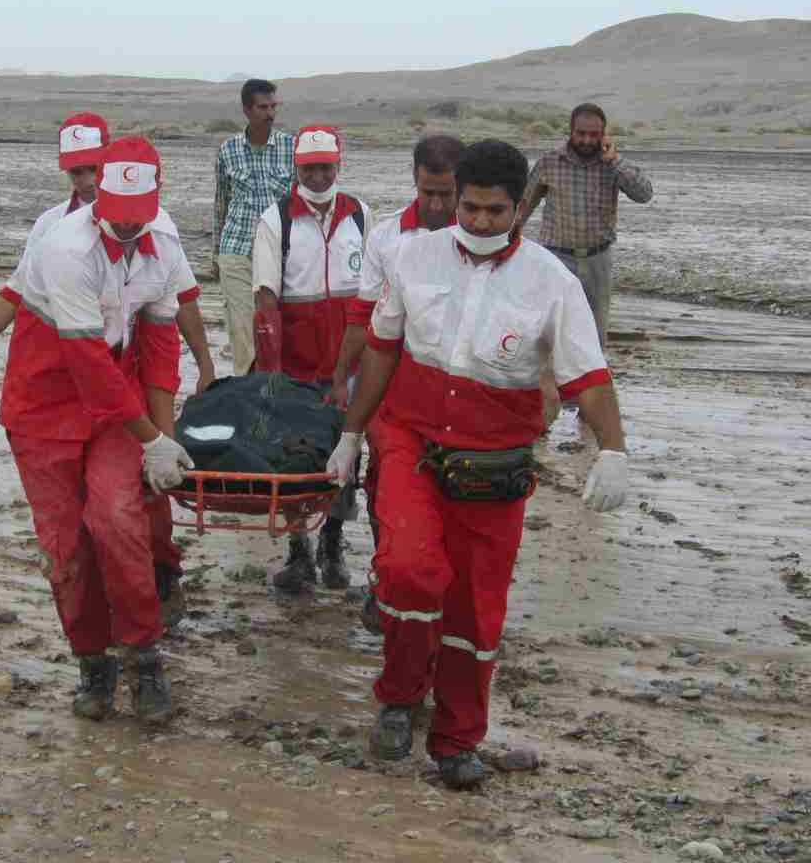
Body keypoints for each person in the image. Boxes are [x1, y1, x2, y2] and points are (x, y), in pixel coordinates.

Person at [327, 140, 629, 789]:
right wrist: (352, 436)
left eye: (496, 211)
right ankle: (400, 696)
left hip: (496, 464)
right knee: (409, 571)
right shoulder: (413, 256)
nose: (482, 222)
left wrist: (613, 448)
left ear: (520, 206)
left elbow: (588, 375)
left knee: (474, 606)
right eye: (471, 209)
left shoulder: (553, 282)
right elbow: (381, 349)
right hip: (411, 441)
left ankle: (458, 737)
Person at [0, 112, 213, 625]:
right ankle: (100, 636)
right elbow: (15, 296)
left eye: (91, 169)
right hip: (60, 389)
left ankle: (158, 580)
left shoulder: (162, 234)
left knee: (129, 507)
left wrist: (170, 428)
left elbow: (168, 325)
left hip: (118, 386)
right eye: (76, 172)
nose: (84, 181)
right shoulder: (54, 233)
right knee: (74, 532)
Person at [0, 135, 195, 724]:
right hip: (45, 403)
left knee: (118, 520)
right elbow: (86, 359)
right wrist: (152, 440)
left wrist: (164, 441)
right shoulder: (64, 247)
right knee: (67, 547)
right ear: (96, 201)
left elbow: (160, 346)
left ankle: (144, 656)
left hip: (115, 405)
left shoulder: (165, 243)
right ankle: (93, 663)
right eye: (119, 218)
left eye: (140, 218)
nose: (130, 229)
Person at [330, 135, 464, 557]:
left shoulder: (481, 235)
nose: (438, 205)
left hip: (458, 388)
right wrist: (340, 378)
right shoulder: (387, 237)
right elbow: (361, 317)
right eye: (429, 193)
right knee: (387, 478)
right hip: (391, 383)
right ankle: (385, 570)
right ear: (414, 181)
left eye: (447, 193)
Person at [251, 125, 370, 592]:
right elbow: (264, 299)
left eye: (326, 166)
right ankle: (298, 551)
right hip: (296, 364)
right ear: (296, 168)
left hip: (350, 362)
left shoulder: (360, 214)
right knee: (294, 455)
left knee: (346, 453)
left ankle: (333, 546)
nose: (318, 175)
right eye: (309, 167)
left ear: (338, 165)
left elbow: (371, 291)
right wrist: (271, 372)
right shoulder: (275, 220)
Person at [519, 103, 652, 377]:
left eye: (594, 134)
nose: (587, 140)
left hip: (597, 259)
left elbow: (644, 194)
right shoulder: (549, 162)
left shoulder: (612, 165)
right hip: (555, 257)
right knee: (548, 325)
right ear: (570, 131)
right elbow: (523, 206)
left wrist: (614, 161)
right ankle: (547, 390)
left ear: (604, 135)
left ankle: (589, 399)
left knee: (594, 329)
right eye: (581, 133)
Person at [214, 78, 295, 375]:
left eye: (274, 106)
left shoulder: (291, 147)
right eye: (263, 107)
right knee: (242, 330)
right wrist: (215, 256)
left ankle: (277, 392)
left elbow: (299, 204)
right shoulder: (228, 150)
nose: (270, 113)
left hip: (279, 254)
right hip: (236, 250)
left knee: (275, 327)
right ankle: (248, 397)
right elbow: (221, 203)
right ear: (247, 110)